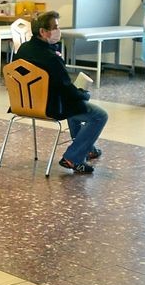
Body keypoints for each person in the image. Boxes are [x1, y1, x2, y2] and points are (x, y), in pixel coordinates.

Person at [14, 12, 109, 174]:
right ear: (43, 32)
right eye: (56, 27)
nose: (59, 30)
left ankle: (88, 149)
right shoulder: (51, 57)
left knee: (74, 106)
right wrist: (83, 94)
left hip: (24, 103)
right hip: (50, 106)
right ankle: (73, 157)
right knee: (99, 115)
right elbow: (67, 90)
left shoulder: (23, 49)